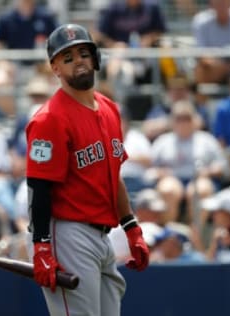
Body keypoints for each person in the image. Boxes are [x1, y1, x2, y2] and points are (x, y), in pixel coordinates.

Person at [26, 24, 149, 315]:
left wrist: (131, 227)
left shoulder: (109, 109)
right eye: (67, 57)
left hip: (103, 236)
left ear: (95, 59)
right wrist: (42, 247)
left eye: (83, 52)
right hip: (68, 234)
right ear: (55, 68)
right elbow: (38, 187)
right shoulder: (48, 119)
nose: (77, 60)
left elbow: (113, 175)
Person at [148, 101, 228, 222]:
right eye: (179, 118)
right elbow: (149, 170)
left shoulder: (207, 140)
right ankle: (169, 234)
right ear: (172, 121)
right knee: (167, 190)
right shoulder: (162, 141)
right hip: (172, 179)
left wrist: (208, 171)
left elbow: (222, 166)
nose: (183, 122)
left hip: (199, 178)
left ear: (195, 120)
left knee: (199, 190)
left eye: (187, 118)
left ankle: (194, 235)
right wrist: (160, 172)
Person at [192, 0, 230, 97]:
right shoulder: (200, 21)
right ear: (211, 3)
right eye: (218, 2)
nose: (222, 4)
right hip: (213, 68)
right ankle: (202, 109)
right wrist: (225, 67)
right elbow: (202, 55)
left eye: (225, 1)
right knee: (200, 71)